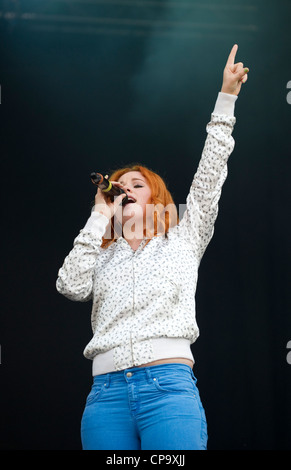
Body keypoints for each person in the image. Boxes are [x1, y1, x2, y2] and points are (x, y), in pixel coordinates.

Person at [56, 44, 249, 450]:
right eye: (119, 185)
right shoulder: (102, 252)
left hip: (167, 388)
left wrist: (226, 98)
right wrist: (99, 217)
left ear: (157, 198)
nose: (123, 189)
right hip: (105, 395)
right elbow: (70, 286)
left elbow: (210, 174)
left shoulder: (183, 235)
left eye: (136, 185)